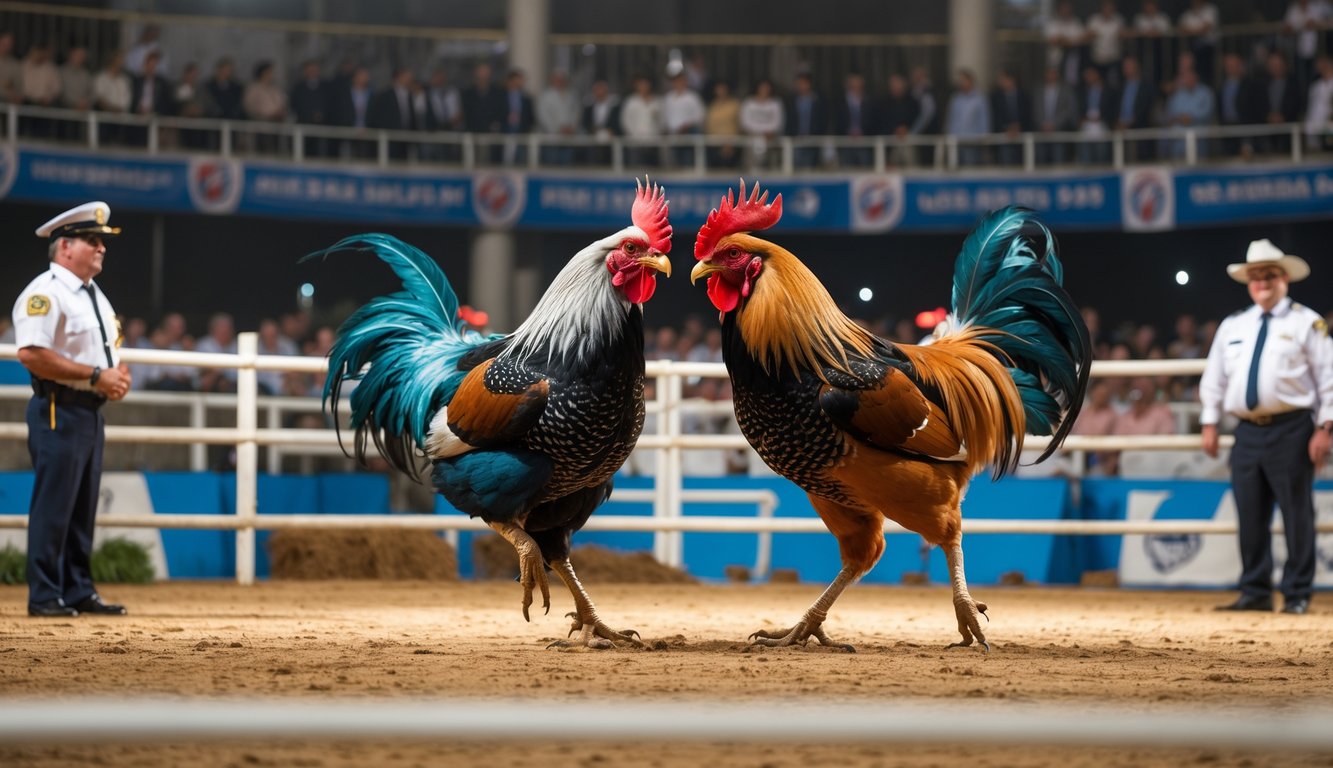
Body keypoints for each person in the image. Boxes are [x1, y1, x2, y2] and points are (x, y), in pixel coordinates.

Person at [11, 202, 132, 617]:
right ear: (65, 247)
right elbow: (31, 354)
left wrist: (113, 374)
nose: (101, 248)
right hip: (57, 407)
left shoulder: (90, 292)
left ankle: (77, 588)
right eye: (92, 240)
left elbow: (100, 348)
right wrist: (98, 374)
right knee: (55, 504)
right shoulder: (45, 292)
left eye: (101, 241)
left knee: (81, 506)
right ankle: (45, 594)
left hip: (85, 410)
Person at [1200, 239, 1333, 615]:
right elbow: (1215, 378)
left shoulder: (1308, 322)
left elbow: (1329, 377)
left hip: (1293, 428)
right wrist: (1210, 420)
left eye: (1269, 275)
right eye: (1255, 276)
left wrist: (1325, 427)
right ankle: (1255, 590)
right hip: (1246, 431)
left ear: (1284, 278)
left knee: (1296, 513)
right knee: (1250, 512)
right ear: (1248, 282)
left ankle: (1297, 593)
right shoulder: (1233, 325)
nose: (1262, 282)